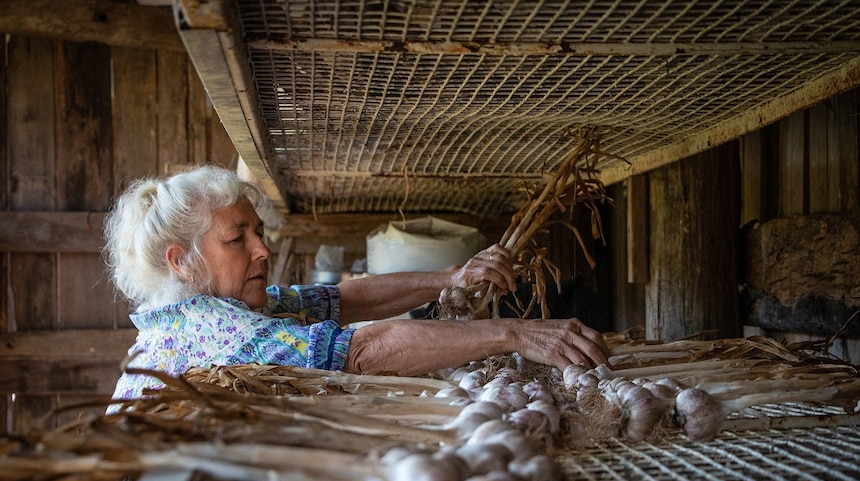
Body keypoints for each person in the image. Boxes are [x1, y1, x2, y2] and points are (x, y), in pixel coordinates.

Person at [103, 165, 608, 401]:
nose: (263, 250)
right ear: (183, 262)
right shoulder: (212, 330)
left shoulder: (240, 310)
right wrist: (517, 334)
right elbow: (360, 352)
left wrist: (451, 277)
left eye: (259, 232)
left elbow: (342, 299)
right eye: (238, 239)